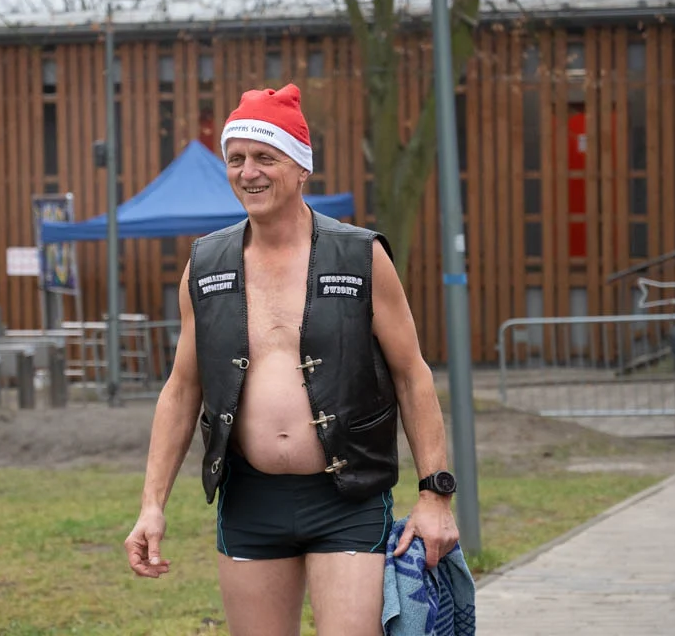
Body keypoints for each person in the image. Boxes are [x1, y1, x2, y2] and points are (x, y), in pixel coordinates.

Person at [124, 84, 460, 635]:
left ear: (302, 166)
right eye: (236, 159)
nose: (248, 172)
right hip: (250, 500)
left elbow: (411, 376)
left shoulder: (360, 256)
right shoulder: (206, 265)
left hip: (348, 497)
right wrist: (151, 505)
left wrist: (435, 495)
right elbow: (182, 391)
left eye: (265, 157)